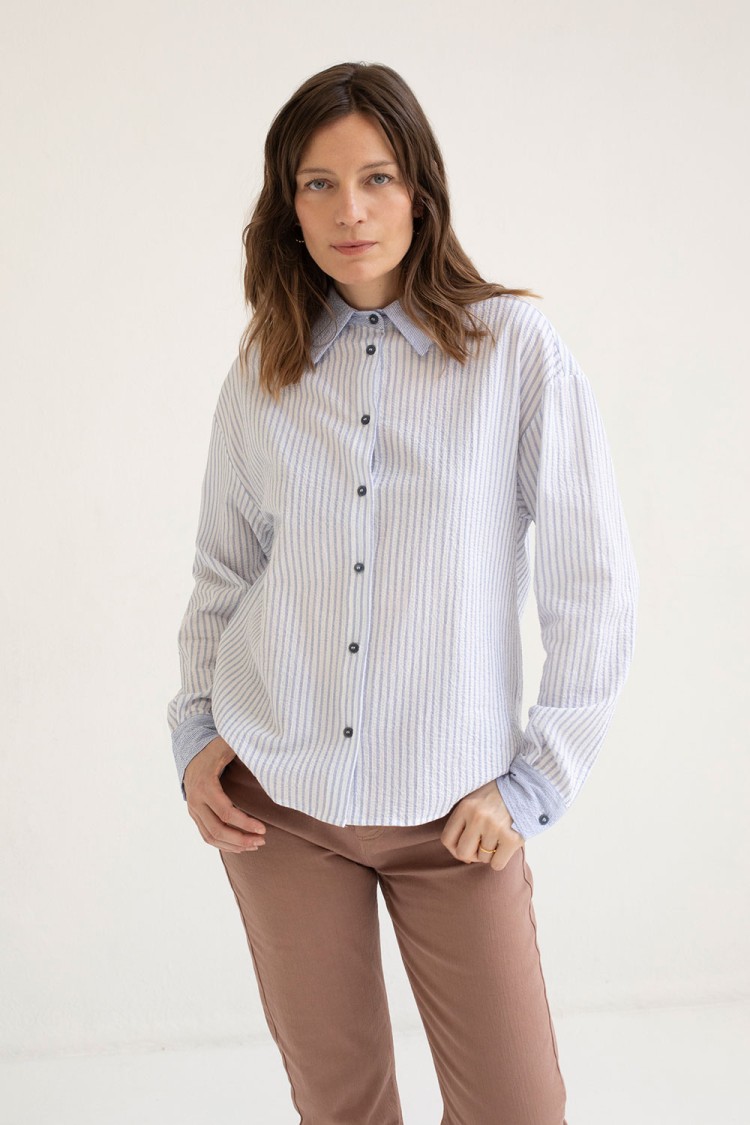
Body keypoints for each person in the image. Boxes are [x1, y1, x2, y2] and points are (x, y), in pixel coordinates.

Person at [167, 61, 639, 1125]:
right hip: (279, 805)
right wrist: (195, 731)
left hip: (457, 815)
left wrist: (535, 783)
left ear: (420, 191)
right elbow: (225, 570)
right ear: (288, 206)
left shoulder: (515, 352)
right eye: (319, 183)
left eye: (376, 177)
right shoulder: (267, 366)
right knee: (341, 1107)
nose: (351, 210)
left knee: (518, 1108)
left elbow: (594, 584)